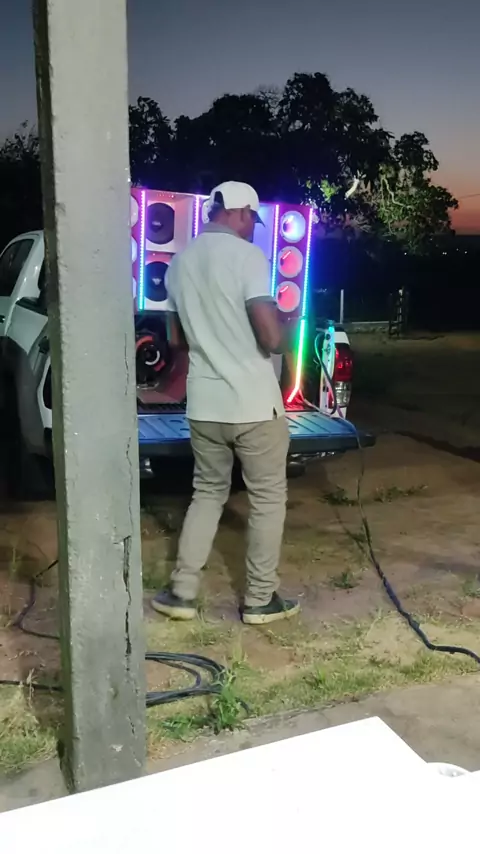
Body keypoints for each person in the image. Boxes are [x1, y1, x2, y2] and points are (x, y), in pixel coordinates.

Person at [152, 181, 299, 625]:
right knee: (267, 499)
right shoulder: (247, 257)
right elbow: (270, 339)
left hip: (204, 405)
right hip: (253, 405)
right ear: (238, 212)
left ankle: (181, 592)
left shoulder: (179, 263)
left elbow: (175, 339)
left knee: (207, 493)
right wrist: (286, 323)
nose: (253, 226)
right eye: (252, 218)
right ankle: (259, 599)